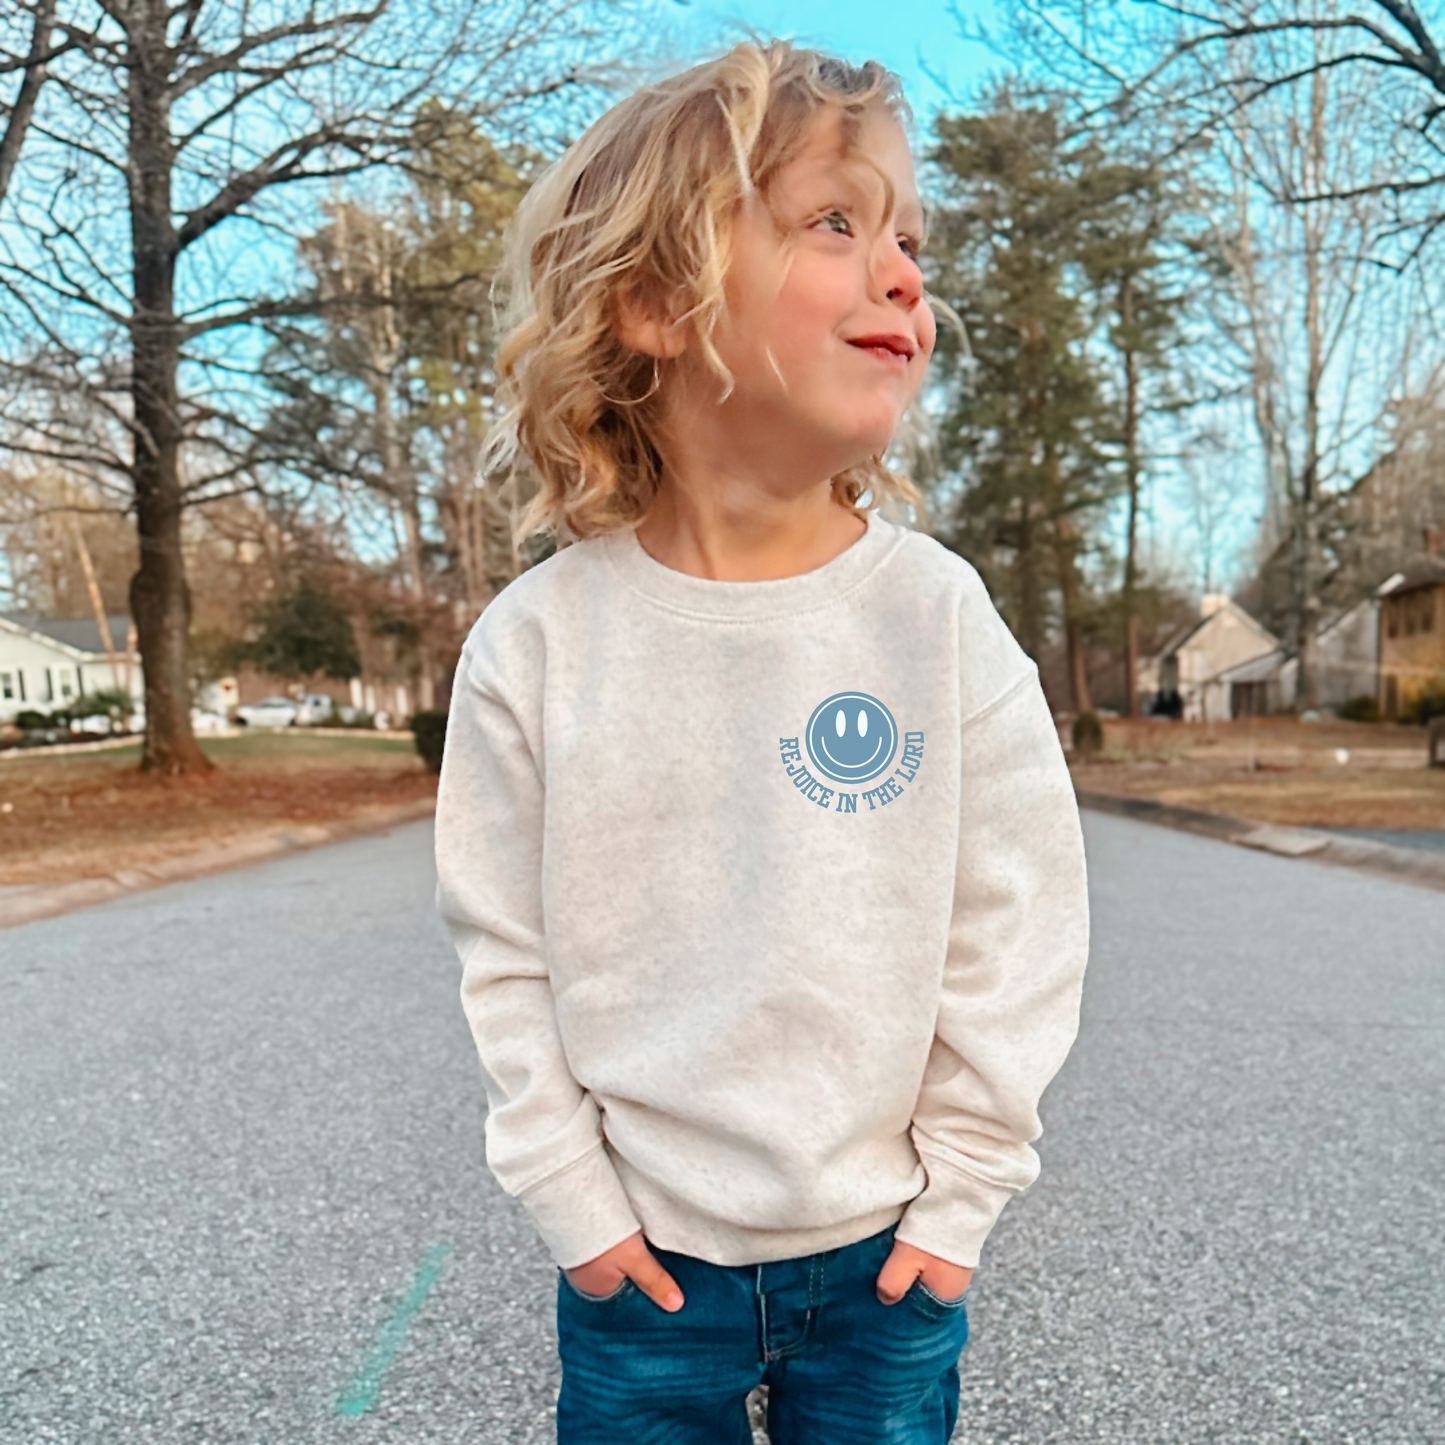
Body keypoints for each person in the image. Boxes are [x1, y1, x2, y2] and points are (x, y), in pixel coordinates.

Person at [434, 38, 1090, 1445]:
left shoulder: (935, 617)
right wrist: (573, 1204)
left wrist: (964, 1198)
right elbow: (506, 953)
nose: (906, 273)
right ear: (659, 301)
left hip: (885, 1258)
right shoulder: (538, 646)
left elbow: (1014, 926)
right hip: (643, 1272)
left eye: (911, 235)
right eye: (836, 223)